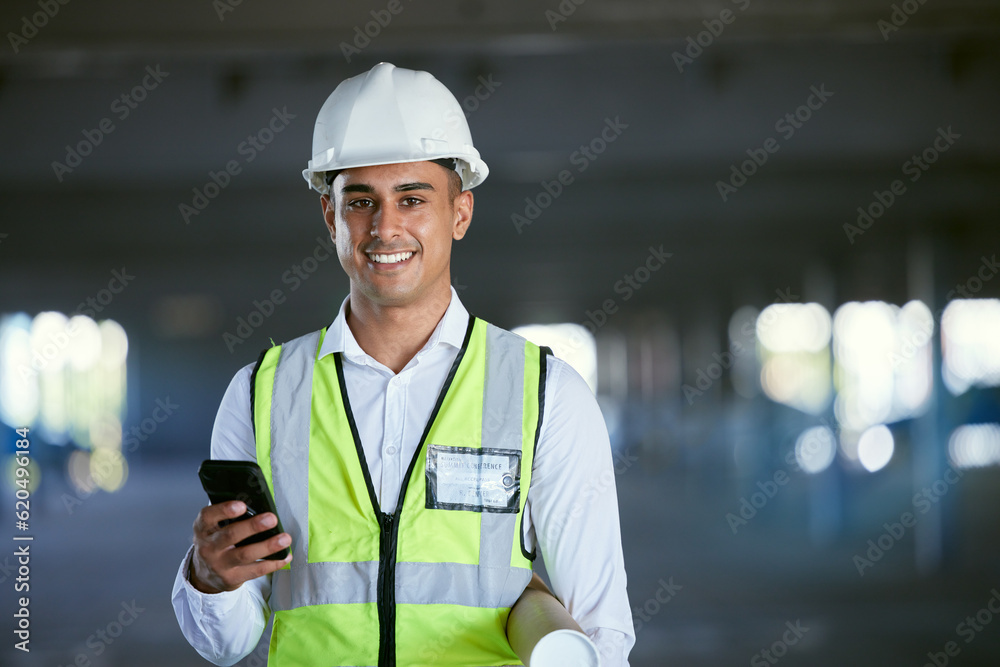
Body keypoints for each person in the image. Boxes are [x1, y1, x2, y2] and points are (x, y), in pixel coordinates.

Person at [171, 62, 634, 666]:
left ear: (460, 214)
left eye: (412, 199)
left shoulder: (546, 394)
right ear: (331, 217)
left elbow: (598, 633)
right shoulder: (261, 393)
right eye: (360, 201)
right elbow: (226, 645)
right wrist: (211, 577)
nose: (384, 227)